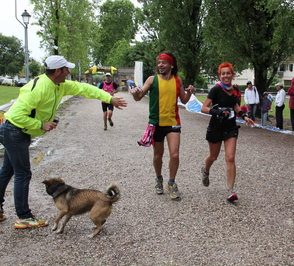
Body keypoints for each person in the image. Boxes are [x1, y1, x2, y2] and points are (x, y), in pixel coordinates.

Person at [0, 55, 127, 228]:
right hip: (14, 130)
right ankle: (23, 217)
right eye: (67, 69)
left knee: (7, 171)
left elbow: (84, 88)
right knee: (23, 173)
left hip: (17, 131)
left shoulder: (59, 85)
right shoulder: (39, 88)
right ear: (59, 71)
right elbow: (15, 116)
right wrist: (40, 124)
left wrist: (109, 98)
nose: (69, 72)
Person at [130, 51, 195, 201]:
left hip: (173, 122)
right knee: (158, 155)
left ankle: (171, 183)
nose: (160, 65)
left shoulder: (177, 80)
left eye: (163, 62)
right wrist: (135, 93)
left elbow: (184, 100)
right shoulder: (152, 80)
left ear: (171, 65)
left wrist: (190, 92)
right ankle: (158, 179)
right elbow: (139, 97)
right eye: (159, 62)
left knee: (175, 155)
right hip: (156, 123)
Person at [200, 62, 255, 201]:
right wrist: (216, 111)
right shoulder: (216, 90)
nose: (226, 75)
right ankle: (206, 171)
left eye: (228, 73)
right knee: (213, 157)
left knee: (230, 158)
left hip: (230, 127)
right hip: (216, 127)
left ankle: (231, 190)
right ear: (220, 75)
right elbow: (203, 108)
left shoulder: (234, 90)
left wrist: (245, 117)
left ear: (232, 75)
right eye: (223, 73)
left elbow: (236, 106)